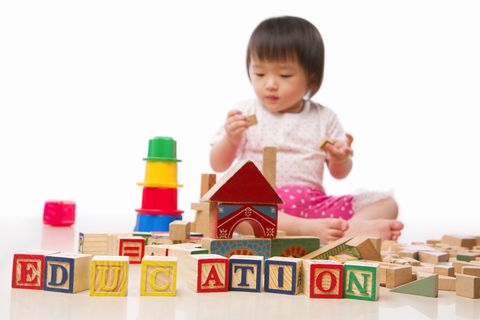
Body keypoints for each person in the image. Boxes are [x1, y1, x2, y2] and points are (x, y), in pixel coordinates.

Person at [210, 16, 403, 244]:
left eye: (284, 75)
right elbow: (218, 164)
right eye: (260, 73)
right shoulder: (244, 112)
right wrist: (231, 139)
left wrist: (340, 158)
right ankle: (309, 230)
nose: (270, 83)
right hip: (263, 207)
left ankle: (345, 230)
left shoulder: (324, 117)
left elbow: (340, 174)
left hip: (315, 206)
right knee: (224, 208)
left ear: (311, 80)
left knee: (388, 203)